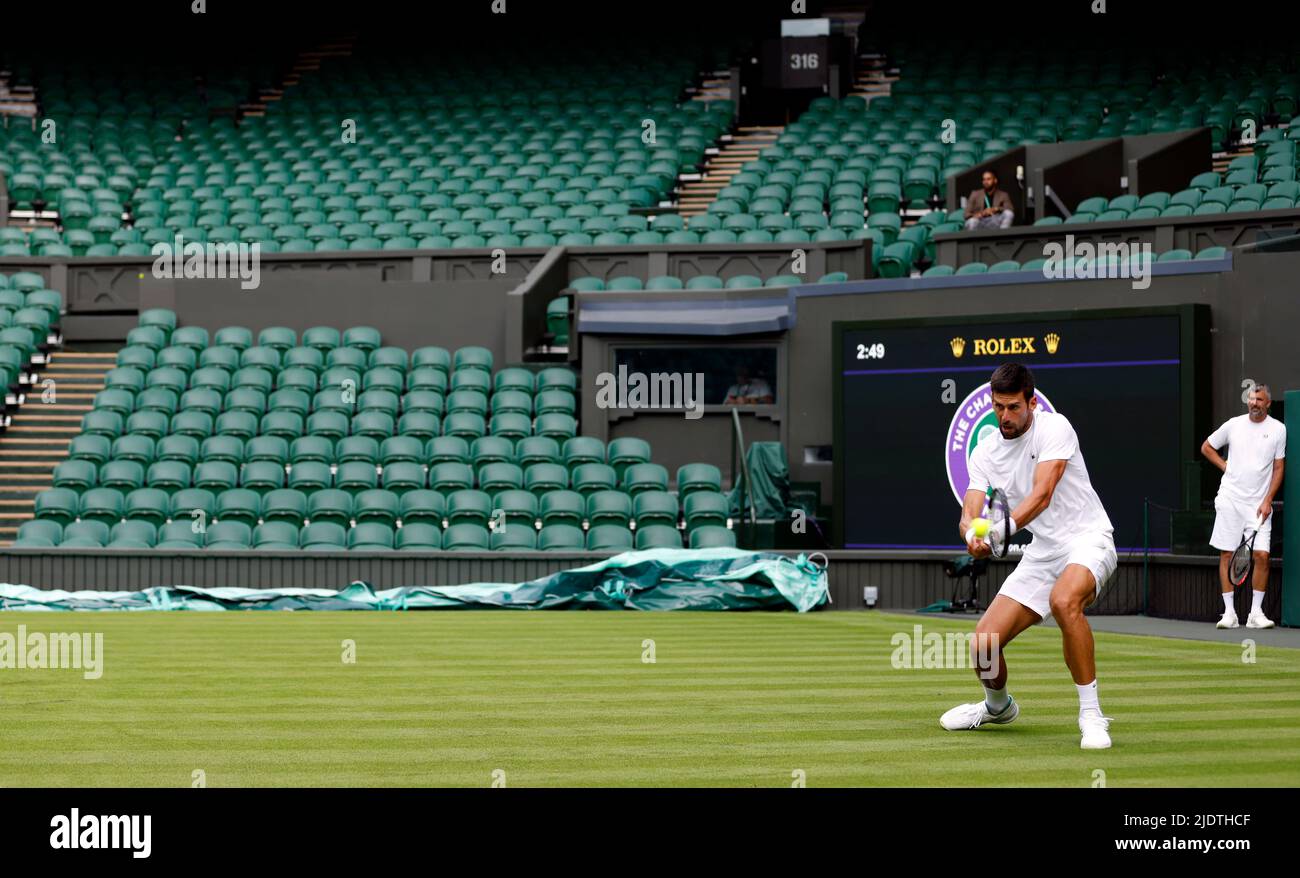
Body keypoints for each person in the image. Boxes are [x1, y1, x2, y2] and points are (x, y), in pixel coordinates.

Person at [941, 364, 1117, 749]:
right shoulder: (985, 452)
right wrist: (972, 533)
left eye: (1014, 407)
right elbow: (969, 511)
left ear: (1032, 402)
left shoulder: (1055, 428)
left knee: (1064, 601)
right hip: (1044, 553)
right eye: (998, 407)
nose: (1005, 416)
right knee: (984, 644)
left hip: (1088, 539)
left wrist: (1000, 530)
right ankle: (997, 706)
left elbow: (1042, 494)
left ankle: (1091, 714)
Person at [1201, 384, 1286, 629]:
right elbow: (1207, 447)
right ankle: (1229, 613)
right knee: (1227, 553)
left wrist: (1268, 499)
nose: (1254, 403)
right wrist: (1225, 466)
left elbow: (1279, 468)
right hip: (1230, 499)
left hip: (1259, 505)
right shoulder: (1233, 424)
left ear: (1267, 403)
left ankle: (1255, 614)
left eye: (1259, 399)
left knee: (1261, 555)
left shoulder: (1278, 430)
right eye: (1251, 398)